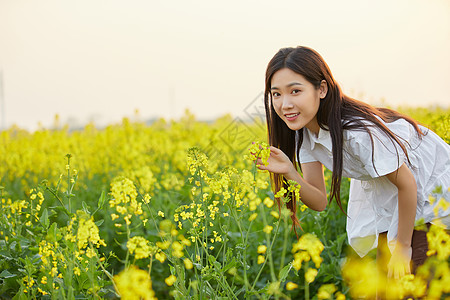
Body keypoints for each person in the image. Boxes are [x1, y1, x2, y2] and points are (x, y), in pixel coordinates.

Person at [256, 46, 450, 281]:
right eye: (276, 94)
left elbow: (408, 184)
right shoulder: (304, 135)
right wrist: (289, 171)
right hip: (393, 200)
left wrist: (402, 247)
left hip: (430, 194)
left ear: (322, 89)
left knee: (406, 285)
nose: (284, 104)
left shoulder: (357, 134)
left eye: (295, 91)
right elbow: (319, 200)